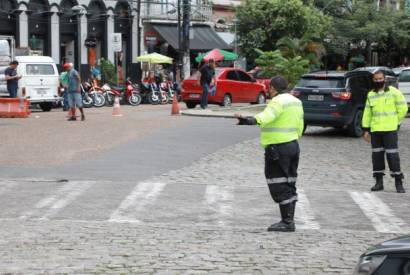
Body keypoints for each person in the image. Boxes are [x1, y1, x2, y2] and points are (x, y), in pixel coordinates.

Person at [235, 76, 304, 232]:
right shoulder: (296, 101)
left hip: (278, 148)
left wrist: (247, 120)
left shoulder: (278, 101)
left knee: (278, 182)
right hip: (293, 145)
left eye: (270, 88)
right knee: (290, 182)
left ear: (273, 88)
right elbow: (300, 124)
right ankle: (289, 220)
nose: (269, 91)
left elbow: (266, 117)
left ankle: (287, 222)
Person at [362, 70, 408, 193]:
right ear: (373, 80)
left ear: (385, 79)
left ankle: (398, 182)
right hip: (376, 130)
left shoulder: (394, 92)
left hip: (390, 130)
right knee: (377, 157)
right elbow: (367, 113)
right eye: (376, 79)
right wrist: (366, 129)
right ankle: (378, 183)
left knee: (392, 156)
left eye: (380, 79)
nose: (378, 81)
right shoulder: (371, 94)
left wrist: (395, 122)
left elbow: (403, 108)